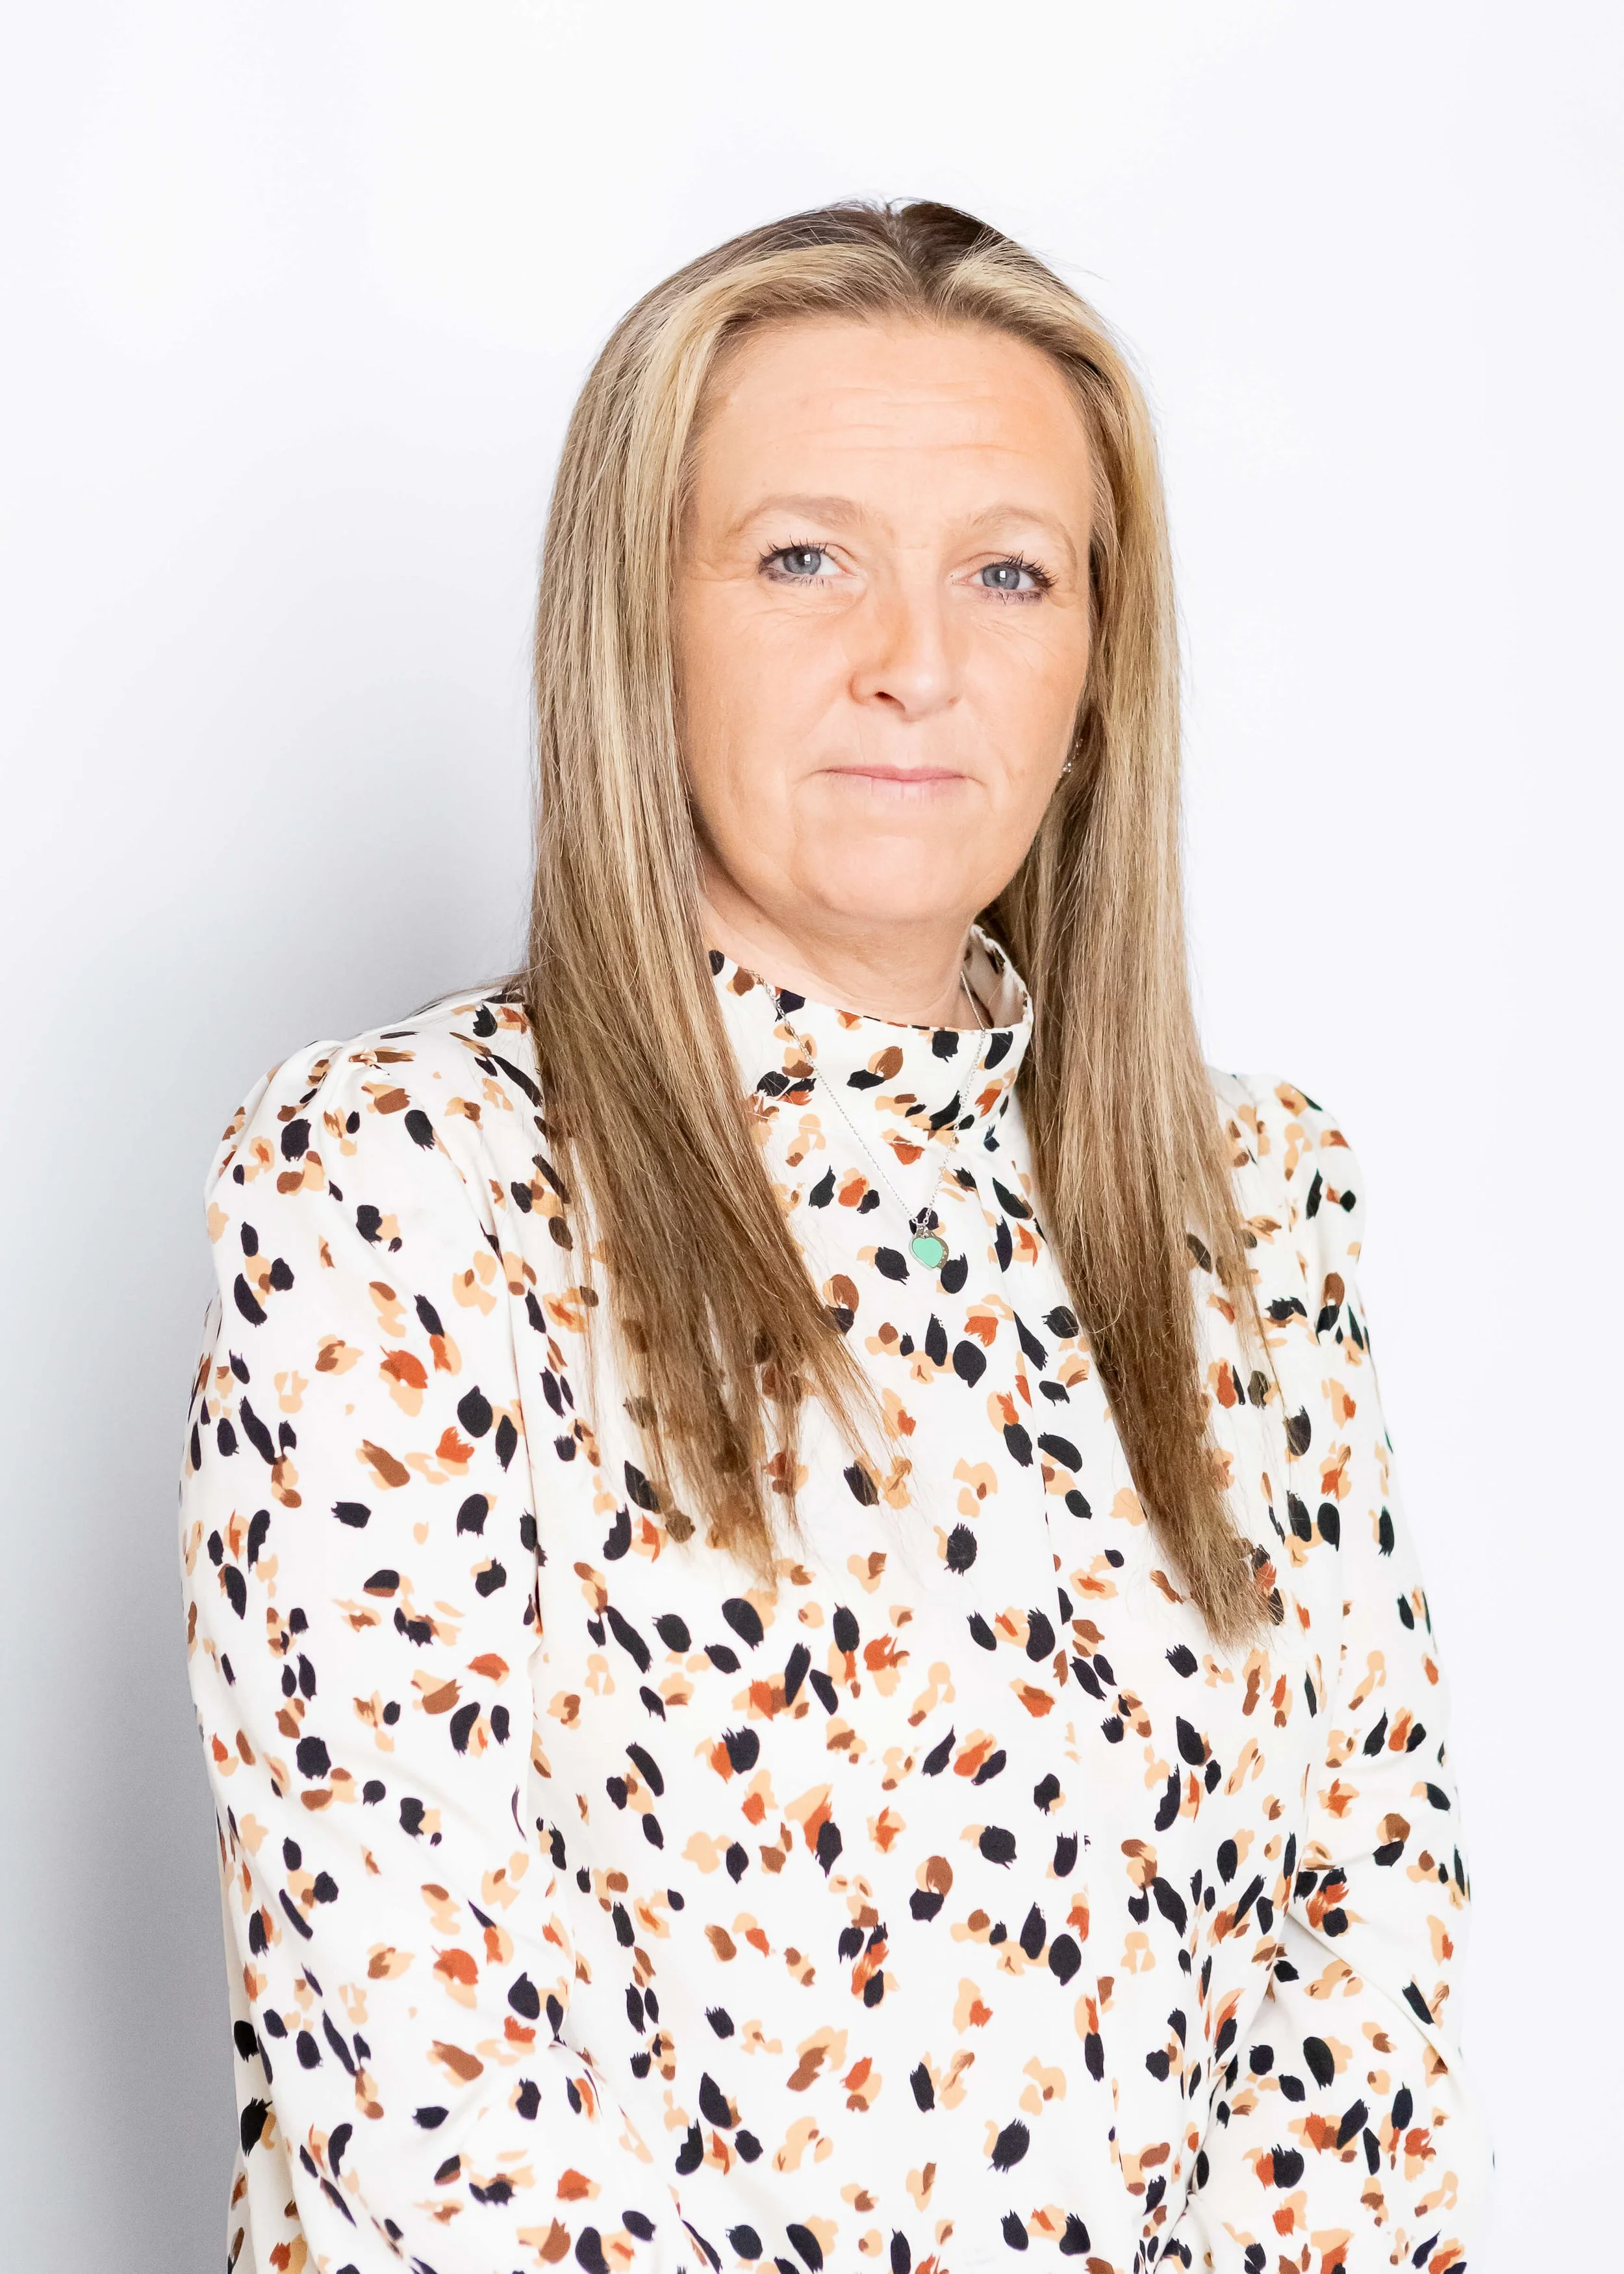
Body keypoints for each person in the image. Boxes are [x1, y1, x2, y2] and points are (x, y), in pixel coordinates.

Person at [180, 200, 1487, 2274]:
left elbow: (1364, 1946)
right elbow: (419, 2049)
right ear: (640, 621)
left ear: (1093, 658)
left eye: (1007, 569)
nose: (916, 657)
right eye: (803, 559)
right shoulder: (399, 1175)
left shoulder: (1253, 1199)